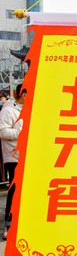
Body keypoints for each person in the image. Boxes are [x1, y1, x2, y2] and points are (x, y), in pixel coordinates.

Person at [0, 84, 26, 239]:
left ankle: (22, 223)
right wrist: (21, 132)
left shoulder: (26, 110)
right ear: (23, 95)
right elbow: (2, 132)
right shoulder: (8, 110)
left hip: (26, 156)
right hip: (13, 157)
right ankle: (9, 226)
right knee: (14, 191)